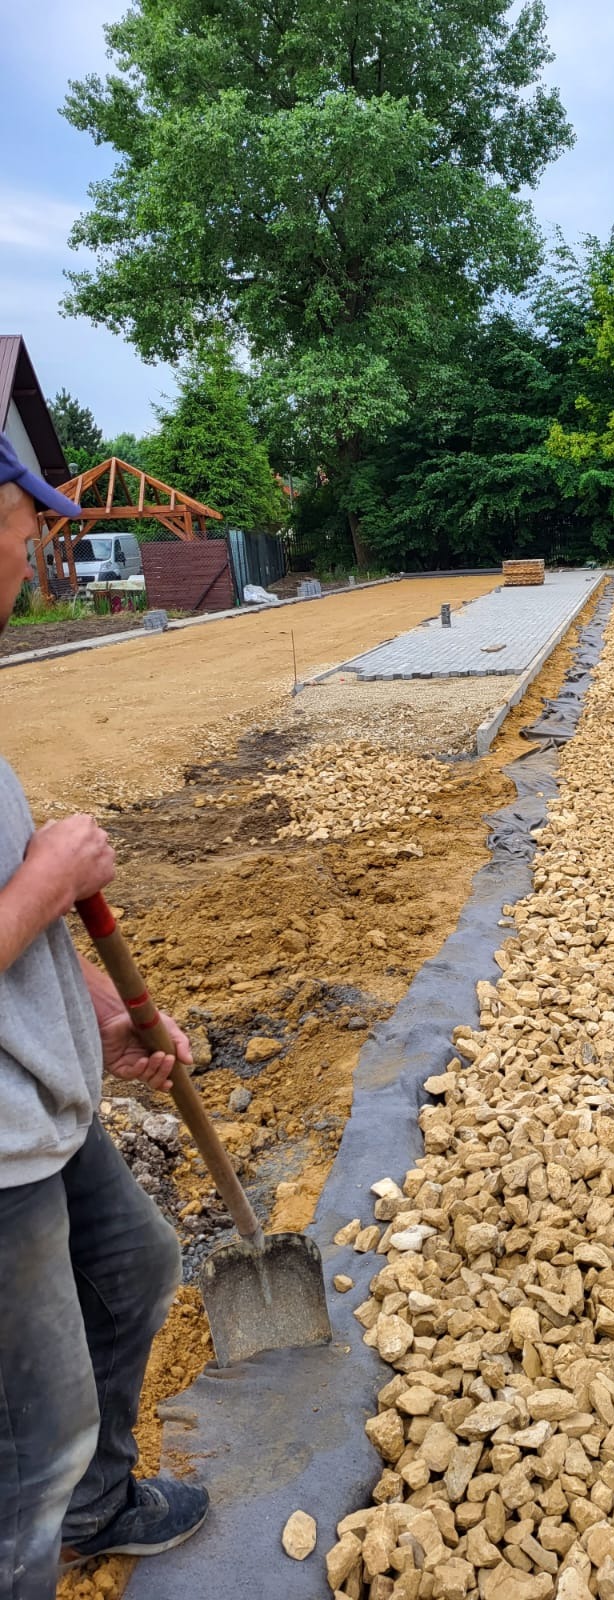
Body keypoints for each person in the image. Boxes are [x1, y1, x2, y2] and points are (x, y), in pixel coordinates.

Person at [0, 432, 208, 1599]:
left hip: (41, 1096)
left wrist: (95, 1012)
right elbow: (16, 900)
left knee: (133, 1262)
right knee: (29, 1447)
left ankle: (104, 1506)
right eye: (26, 519)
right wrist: (51, 873)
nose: (40, 543)